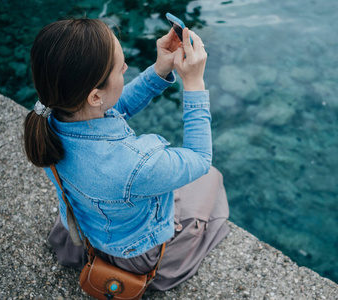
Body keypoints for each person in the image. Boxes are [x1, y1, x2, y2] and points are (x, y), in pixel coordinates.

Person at [23, 18, 229, 290]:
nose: (127, 68)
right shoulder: (134, 165)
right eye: (121, 70)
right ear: (95, 97)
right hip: (133, 253)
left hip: (92, 231)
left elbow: (114, 106)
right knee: (211, 177)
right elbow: (201, 159)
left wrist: (160, 69)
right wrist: (194, 83)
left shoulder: (49, 119)